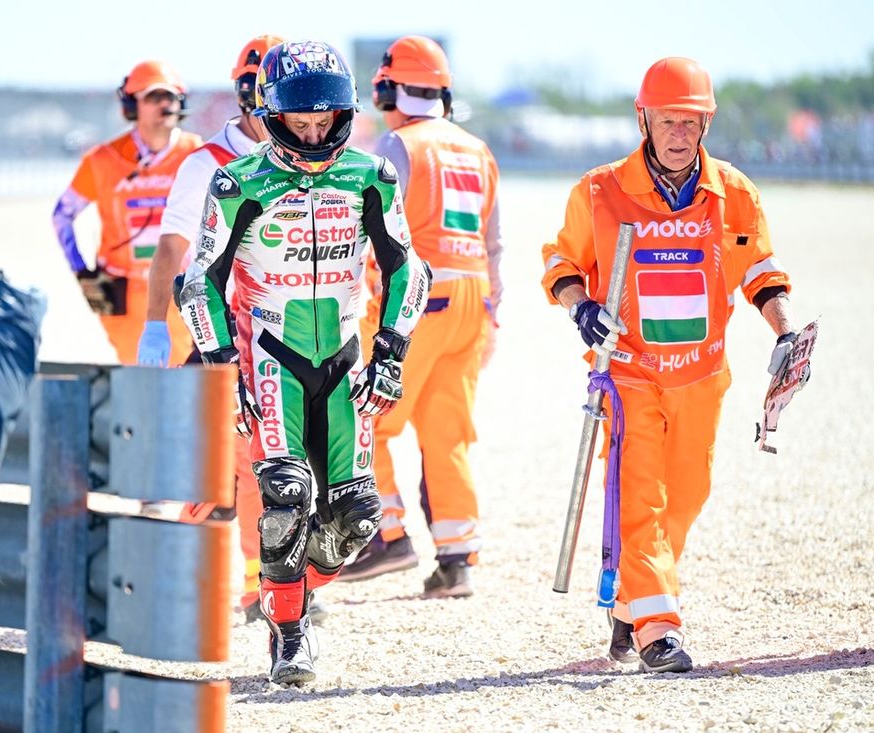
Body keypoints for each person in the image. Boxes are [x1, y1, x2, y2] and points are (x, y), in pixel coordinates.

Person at [177, 40, 430, 685]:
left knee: (357, 520)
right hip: (271, 361)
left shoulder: (373, 175)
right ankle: (290, 634)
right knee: (284, 501)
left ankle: (279, 586)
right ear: (271, 114)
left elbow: (409, 270)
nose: (315, 133)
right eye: (300, 122)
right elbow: (198, 281)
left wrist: (392, 352)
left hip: (347, 361)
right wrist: (217, 366)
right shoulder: (238, 182)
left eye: (326, 120)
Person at [541, 57, 798, 673]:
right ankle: (660, 630)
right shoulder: (601, 191)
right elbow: (561, 265)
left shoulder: (733, 193)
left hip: (702, 377)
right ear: (644, 119)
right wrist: (582, 309)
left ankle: (630, 604)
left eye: (690, 120)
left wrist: (786, 329)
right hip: (630, 375)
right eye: (667, 120)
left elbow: (760, 271)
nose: (679, 133)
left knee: (685, 497)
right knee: (640, 500)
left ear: (705, 124)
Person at [136, 34, 307, 624]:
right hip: (223, 339)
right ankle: (177, 576)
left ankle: (266, 588)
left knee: (269, 467)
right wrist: (155, 328)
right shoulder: (204, 166)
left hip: (289, 337)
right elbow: (170, 253)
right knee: (222, 473)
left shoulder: (302, 159)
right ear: (247, 95)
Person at [338, 36, 502, 598]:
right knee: (446, 433)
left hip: (418, 302)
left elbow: (369, 228)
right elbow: (493, 241)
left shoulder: (398, 145)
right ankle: (457, 559)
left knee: (364, 418)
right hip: (471, 301)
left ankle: (386, 537)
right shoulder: (477, 149)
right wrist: (492, 316)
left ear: (388, 88)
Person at [53, 60, 200, 364]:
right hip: (125, 294)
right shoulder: (102, 160)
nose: (164, 104)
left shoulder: (198, 155)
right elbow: (62, 215)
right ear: (131, 105)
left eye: (170, 96)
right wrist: (82, 271)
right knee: (141, 386)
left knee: (189, 385)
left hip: (185, 289)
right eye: (153, 97)